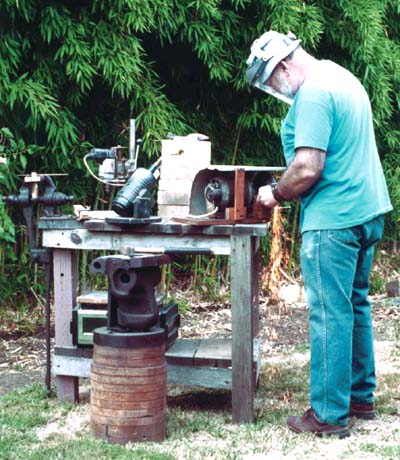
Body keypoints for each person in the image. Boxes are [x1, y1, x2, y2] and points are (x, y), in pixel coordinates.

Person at [245, 31, 393, 438]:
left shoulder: (311, 93)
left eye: (272, 81)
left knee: (329, 312)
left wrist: (273, 192)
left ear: (284, 65)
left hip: (334, 220)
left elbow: (308, 167)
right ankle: (360, 397)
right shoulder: (342, 77)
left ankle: (329, 414)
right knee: (355, 304)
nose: (276, 90)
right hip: (367, 211)